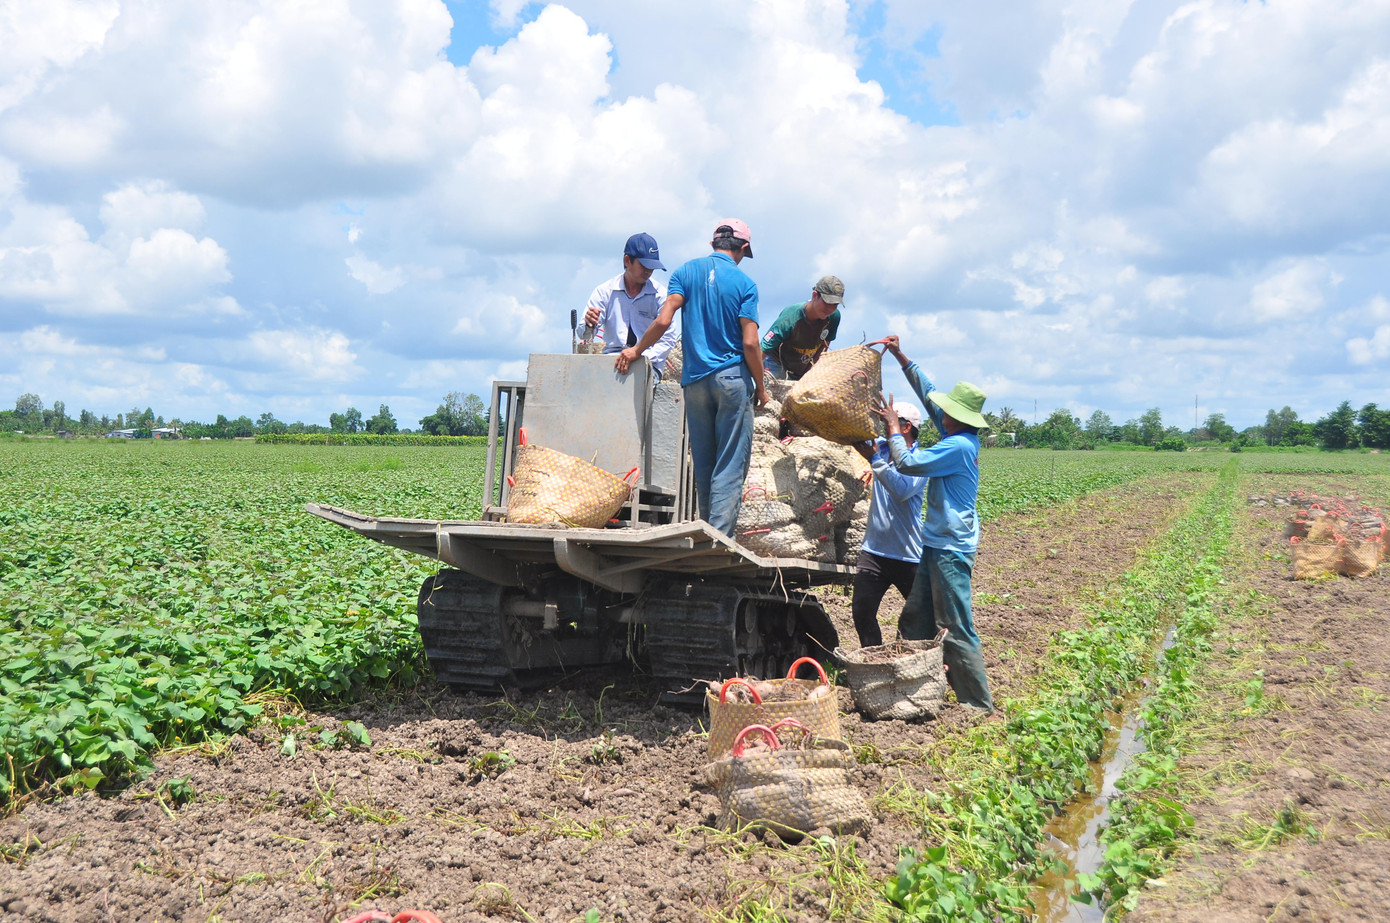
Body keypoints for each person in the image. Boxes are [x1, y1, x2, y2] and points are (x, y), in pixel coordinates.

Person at [616, 219, 766, 536]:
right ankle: (719, 538)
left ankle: (707, 530)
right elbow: (751, 343)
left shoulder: (685, 273)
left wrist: (637, 350)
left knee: (705, 462)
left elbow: (663, 319)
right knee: (729, 463)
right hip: (731, 380)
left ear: (713, 243)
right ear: (742, 249)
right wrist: (762, 389)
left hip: (695, 383)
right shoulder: (744, 284)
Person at [869, 334, 994, 714]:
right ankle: (912, 688)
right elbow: (929, 393)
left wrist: (892, 428)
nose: (940, 411)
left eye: (947, 410)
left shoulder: (957, 446)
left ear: (957, 416)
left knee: (955, 625)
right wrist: (901, 356)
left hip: (951, 549)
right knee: (915, 619)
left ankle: (976, 703)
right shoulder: (957, 432)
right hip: (936, 543)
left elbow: (905, 463)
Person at [850, 402, 928, 648]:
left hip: (908, 556)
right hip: (874, 551)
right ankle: (873, 661)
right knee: (862, 613)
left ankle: (910, 660)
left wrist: (874, 460)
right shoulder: (881, 448)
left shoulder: (920, 460)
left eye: (889, 421)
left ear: (905, 427)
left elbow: (901, 489)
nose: (884, 427)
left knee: (918, 619)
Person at [576, 233, 678, 376]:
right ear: (627, 261)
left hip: (648, 362)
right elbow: (584, 335)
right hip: (612, 361)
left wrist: (643, 355)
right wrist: (589, 324)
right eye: (644, 265)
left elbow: (668, 338)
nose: (648, 271)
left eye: (652, 267)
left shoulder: (660, 295)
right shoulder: (605, 291)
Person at [760, 275, 844, 380]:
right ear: (815, 295)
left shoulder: (833, 317)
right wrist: (758, 385)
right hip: (777, 365)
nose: (830, 308)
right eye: (827, 302)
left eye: (835, 304)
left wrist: (812, 373)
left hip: (802, 369)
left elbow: (824, 346)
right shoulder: (790, 317)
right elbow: (762, 350)